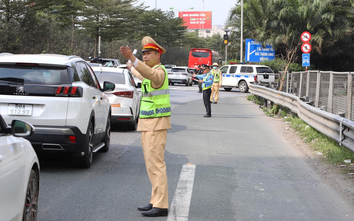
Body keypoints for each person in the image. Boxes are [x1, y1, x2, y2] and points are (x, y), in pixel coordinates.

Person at [120, 36, 171, 217]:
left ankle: (162, 205)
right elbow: (143, 76)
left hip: (156, 124)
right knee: (151, 165)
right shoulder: (151, 71)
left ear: (158, 55)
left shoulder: (160, 72)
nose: (145, 57)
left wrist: (134, 60)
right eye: (143, 54)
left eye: (148, 53)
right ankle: (155, 200)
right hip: (149, 123)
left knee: (156, 165)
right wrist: (132, 68)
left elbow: (151, 76)